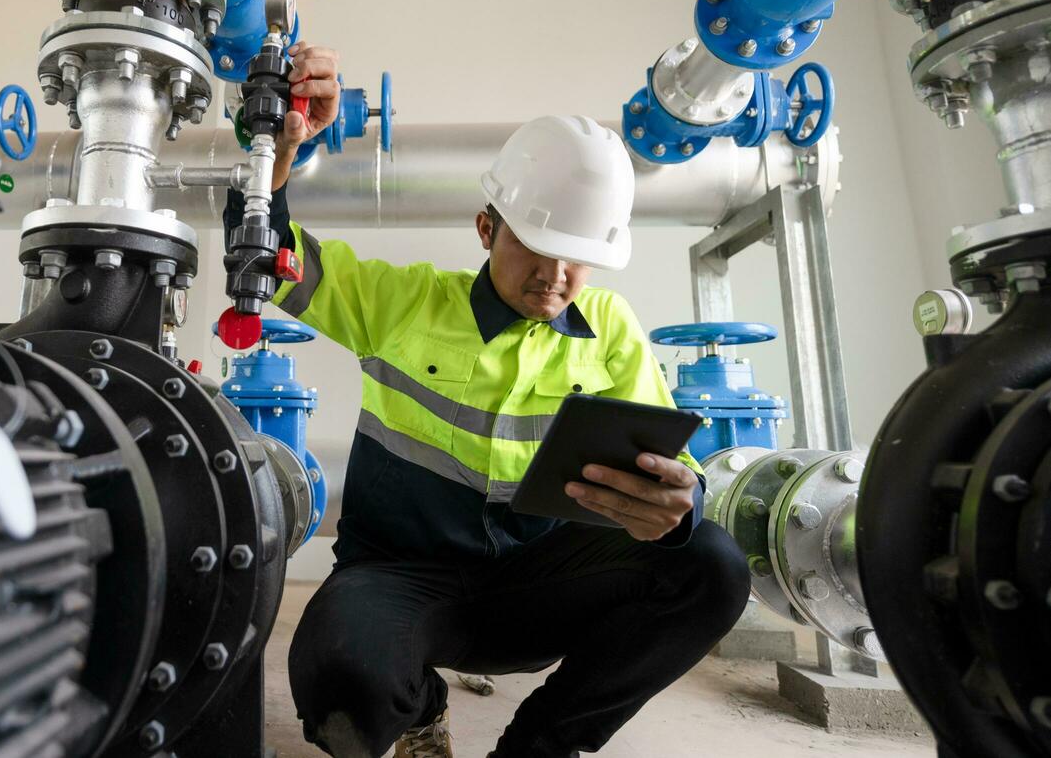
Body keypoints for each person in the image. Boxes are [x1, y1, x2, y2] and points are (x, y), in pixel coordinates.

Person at [224, 44, 751, 758]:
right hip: (401, 579)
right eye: (535, 244)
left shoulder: (611, 331)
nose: (554, 276)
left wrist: (681, 499)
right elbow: (264, 253)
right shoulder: (401, 303)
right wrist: (279, 152)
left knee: (712, 564)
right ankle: (416, 710)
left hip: (540, 585)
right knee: (338, 678)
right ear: (486, 228)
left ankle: (539, 746)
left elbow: (670, 472)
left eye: (576, 256)